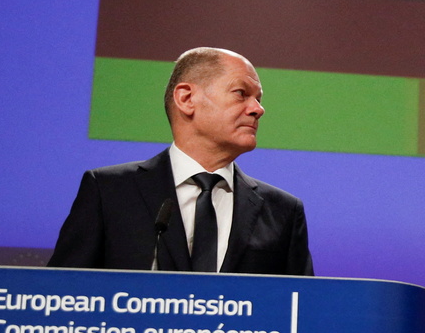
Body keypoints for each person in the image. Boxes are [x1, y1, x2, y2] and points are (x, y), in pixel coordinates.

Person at [48, 47, 313, 275]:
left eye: (258, 99)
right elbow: (60, 295)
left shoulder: (283, 212)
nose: (258, 109)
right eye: (241, 93)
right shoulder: (109, 192)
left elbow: (301, 307)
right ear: (186, 99)